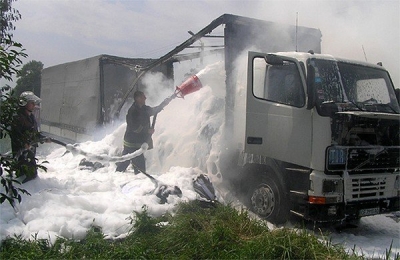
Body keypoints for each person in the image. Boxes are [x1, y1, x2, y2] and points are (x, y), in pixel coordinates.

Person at [116, 90, 171, 173]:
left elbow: (154, 110)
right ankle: (136, 178)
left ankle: (117, 174)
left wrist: (165, 102)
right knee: (139, 168)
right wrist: (147, 130)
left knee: (126, 160)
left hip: (134, 142)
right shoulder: (133, 111)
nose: (145, 98)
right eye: (142, 97)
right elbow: (134, 127)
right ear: (137, 98)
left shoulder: (144, 108)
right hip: (132, 143)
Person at [10, 91, 50, 183]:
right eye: (32, 102)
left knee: (31, 175)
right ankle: (21, 192)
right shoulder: (18, 117)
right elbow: (15, 134)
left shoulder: (31, 116)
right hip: (21, 153)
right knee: (27, 174)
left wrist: (44, 138)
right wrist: (24, 143)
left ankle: (27, 194)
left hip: (30, 152)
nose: (34, 104)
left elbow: (34, 133)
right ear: (24, 103)